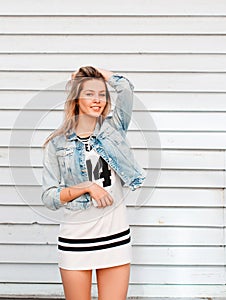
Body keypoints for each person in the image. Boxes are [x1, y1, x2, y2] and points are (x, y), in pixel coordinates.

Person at [41, 66, 145, 300]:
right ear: (76, 98)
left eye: (102, 94)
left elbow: (125, 88)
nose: (97, 100)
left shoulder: (113, 129)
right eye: (89, 93)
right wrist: (86, 187)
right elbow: (49, 197)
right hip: (76, 238)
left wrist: (95, 73)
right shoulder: (56, 144)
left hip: (115, 236)